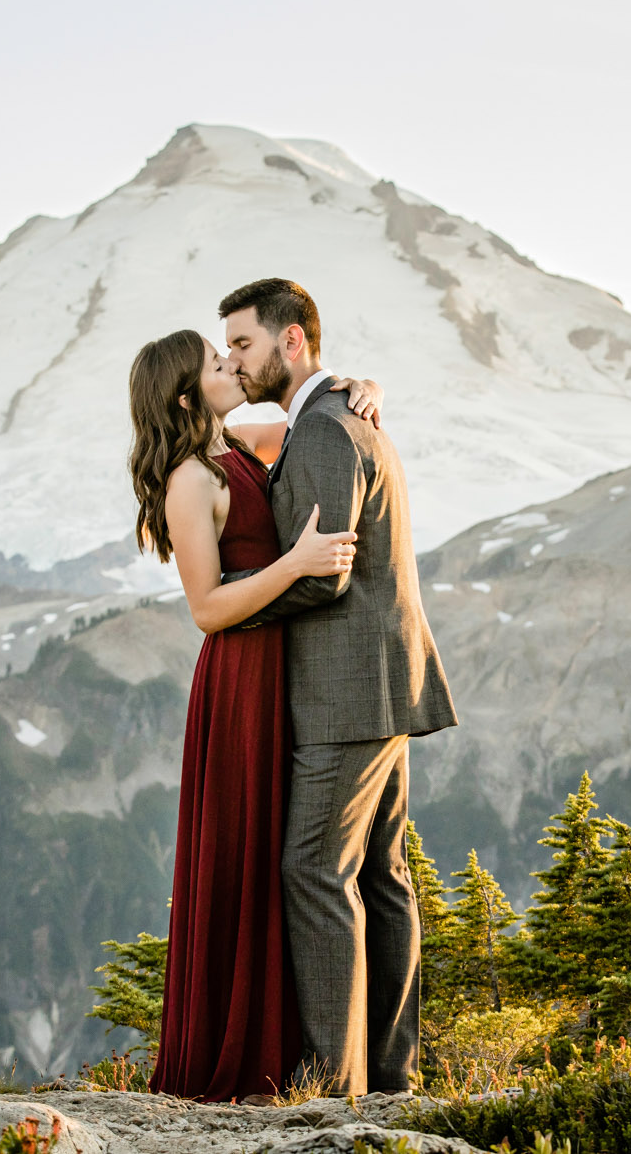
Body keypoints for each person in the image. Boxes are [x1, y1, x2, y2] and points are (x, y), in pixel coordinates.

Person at [125, 327, 384, 1102]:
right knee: (244, 853)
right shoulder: (186, 480)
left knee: (283, 853)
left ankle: (288, 1052)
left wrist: (364, 389)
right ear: (183, 394)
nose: (231, 365)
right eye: (214, 363)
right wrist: (296, 564)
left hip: (280, 672)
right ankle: (236, 1058)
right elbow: (206, 607)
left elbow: (318, 421)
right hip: (239, 679)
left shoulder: (237, 446)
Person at [218, 278, 458, 1098]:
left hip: (345, 689)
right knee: (380, 874)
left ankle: (335, 1087)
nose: (235, 361)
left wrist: (230, 609)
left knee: (314, 869)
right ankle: (390, 1078)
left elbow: (325, 572)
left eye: (244, 344)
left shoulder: (324, 431)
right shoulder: (342, 419)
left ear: (292, 343)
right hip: (378, 683)